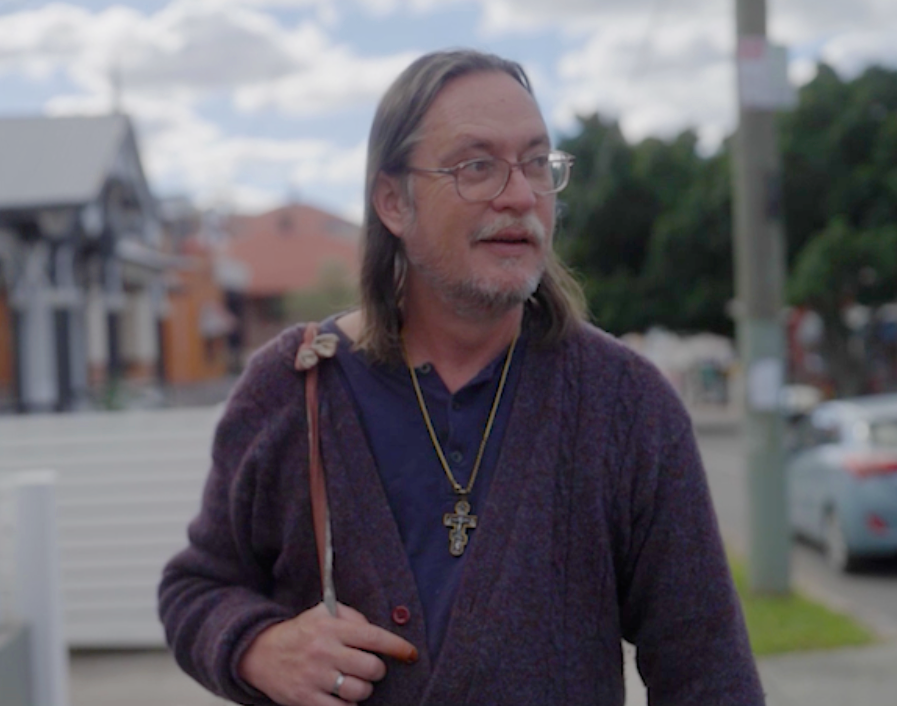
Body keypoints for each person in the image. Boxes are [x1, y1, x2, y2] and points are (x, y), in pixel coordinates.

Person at [159, 49, 765, 706]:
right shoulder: (291, 386)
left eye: (537, 163)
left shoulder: (628, 407)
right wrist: (255, 646)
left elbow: (710, 678)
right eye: (477, 166)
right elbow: (197, 589)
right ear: (393, 200)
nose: (519, 195)